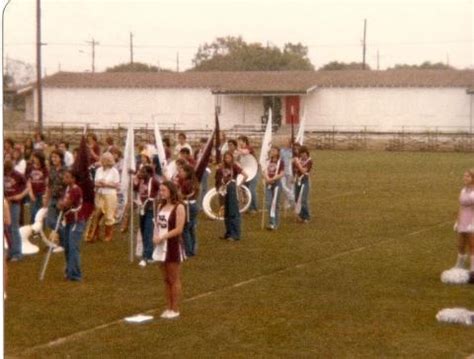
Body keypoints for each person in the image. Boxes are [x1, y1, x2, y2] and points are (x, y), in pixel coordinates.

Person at [153, 181, 186, 319]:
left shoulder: (179, 207)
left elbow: (179, 229)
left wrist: (164, 237)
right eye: (160, 190)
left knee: (173, 278)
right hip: (161, 245)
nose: (161, 193)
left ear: (171, 191)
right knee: (166, 279)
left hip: (172, 245)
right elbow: (157, 224)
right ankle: (168, 307)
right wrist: (155, 236)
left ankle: (175, 308)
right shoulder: (161, 205)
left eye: (164, 190)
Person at [58, 170, 87, 281]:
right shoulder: (67, 189)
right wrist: (61, 204)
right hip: (68, 221)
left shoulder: (76, 190)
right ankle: (69, 270)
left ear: (73, 179)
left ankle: (75, 274)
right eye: (64, 177)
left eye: (67, 177)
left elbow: (66, 204)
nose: (64, 179)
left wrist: (61, 204)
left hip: (76, 221)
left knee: (73, 247)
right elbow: (62, 202)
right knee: (67, 246)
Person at [86, 153, 120, 243]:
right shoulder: (99, 170)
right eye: (102, 159)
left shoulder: (114, 171)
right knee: (96, 214)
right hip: (99, 193)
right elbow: (95, 182)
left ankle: (108, 235)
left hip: (110, 194)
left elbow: (117, 185)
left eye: (105, 160)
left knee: (109, 215)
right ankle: (94, 234)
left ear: (109, 161)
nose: (103, 161)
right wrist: (99, 183)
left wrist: (107, 184)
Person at [215, 151, 248, 241]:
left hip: (232, 189)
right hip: (223, 190)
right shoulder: (221, 167)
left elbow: (245, 175)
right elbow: (217, 178)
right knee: (226, 211)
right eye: (225, 158)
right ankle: (228, 232)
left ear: (232, 158)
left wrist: (239, 184)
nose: (227, 159)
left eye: (229, 157)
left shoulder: (235, 166)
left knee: (233, 211)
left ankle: (235, 234)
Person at [134, 165, 160, 267]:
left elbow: (160, 189)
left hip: (150, 210)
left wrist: (157, 199)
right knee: (143, 232)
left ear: (148, 173)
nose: (140, 173)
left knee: (148, 232)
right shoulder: (141, 181)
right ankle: (149, 255)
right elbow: (135, 189)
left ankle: (145, 256)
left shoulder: (153, 181)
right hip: (141, 210)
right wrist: (135, 179)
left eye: (142, 172)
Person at [4, 160, 28, 261]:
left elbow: (27, 187)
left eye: (9, 171)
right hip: (5, 203)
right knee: (7, 229)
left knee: (14, 228)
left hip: (14, 204)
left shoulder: (19, 175)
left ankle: (17, 253)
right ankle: (10, 252)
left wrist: (19, 196)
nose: (7, 173)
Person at [453, 169, 474, 283]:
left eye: (468, 176)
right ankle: (459, 265)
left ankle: (473, 269)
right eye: (464, 176)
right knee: (461, 245)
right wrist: (457, 221)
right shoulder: (463, 190)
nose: (465, 178)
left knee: (472, 245)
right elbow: (461, 206)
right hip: (463, 220)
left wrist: (473, 223)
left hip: (472, 220)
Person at [44, 150, 67, 247]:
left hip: (62, 199)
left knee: (59, 221)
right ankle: (65, 237)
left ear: (61, 158)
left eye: (56, 157)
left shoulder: (66, 170)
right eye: (52, 157)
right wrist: (46, 199)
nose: (53, 159)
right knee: (50, 221)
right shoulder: (52, 170)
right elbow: (49, 186)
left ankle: (62, 242)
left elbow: (69, 186)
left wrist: (65, 199)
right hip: (53, 198)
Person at [177, 164, 199, 257]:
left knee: (185, 228)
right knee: (191, 228)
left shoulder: (186, 183)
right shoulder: (194, 182)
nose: (179, 173)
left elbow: (181, 195)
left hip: (187, 206)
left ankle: (188, 250)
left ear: (187, 173)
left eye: (181, 171)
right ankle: (193, 249)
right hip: (194, 205)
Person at [263, 146, 285, 230]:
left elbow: (282, 173)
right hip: (268, 183)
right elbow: (264, 171)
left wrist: (273, 178)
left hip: (277, 184)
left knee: (275, 204)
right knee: (269, 203)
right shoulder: (267, 161)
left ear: (278, 152)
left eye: (274, 150)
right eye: (271, 150)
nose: (272, 151)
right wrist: (267, 178)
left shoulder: (281, 162)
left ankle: (275, 223)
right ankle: (271, 222)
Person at [26, 151, 49, 224]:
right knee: (33, 211)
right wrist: (30, 193)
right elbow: (28, 181)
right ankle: (33, 227)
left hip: (42, 193)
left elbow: (46, 181)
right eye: (34, 157)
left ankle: (40, 227)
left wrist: (45, 193)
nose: (34, 159)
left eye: (36, 157)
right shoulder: (30, 167)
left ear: (40, 159)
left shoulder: (45, 168)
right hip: (33, 192)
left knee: (41, 211)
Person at [237, 136, 258, 214]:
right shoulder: (240, 151)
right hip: (246, 172)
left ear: (244, 141)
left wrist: (237, 148)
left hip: (254, 171)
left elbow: (245, 152)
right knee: (244, 189)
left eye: (240, 141)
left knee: (252, 190)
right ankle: (247, 206)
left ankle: (254, 207)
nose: (239, 143)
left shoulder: (249, 148)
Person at [292, 146, 312, 223]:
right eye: (301, 154)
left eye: (304, 154)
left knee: (303, 200)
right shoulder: (299, 159)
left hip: (305, 181)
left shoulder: (309, 161)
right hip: (297, 180)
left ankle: (306, 216)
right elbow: (294, 170)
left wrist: (297, 163)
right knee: (297, 199)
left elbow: (304, 171)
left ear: (307, 153)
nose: (303, 156)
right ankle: (300, 215)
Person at [195, 137, 210, 209]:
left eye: (203, 143)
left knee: (204, 187)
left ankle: (203, 204)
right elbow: (195, 160)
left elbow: (211, 162)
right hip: (198, 170)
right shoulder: (198, 151)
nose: (201, 144)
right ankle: (198, 203)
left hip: (205, 170)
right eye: (201, 142)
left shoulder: (208, 152)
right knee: (198, 187)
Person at [280, 138, 295, 209]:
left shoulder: (294, 152)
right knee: (283, 186)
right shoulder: (282, 150)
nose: (286, 143)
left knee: (290, 186)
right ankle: (292, 196)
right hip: (283, 171)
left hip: (290, 172)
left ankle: (287, 203)